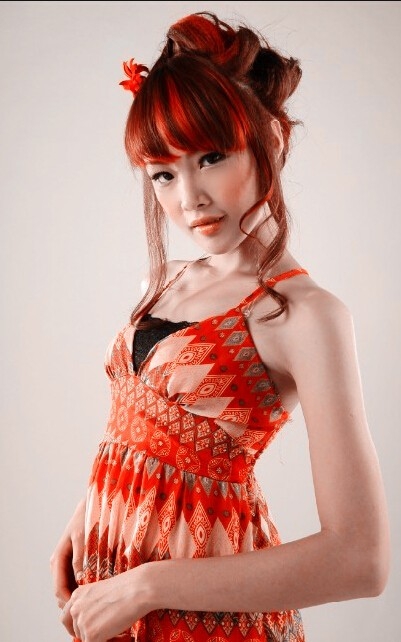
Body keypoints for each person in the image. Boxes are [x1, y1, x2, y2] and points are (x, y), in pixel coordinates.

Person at [50, 11, 390, 642]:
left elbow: (360, 559)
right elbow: (144, 436)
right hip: (110, 597)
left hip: (208, 621)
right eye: (163, 172)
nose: (190, 199)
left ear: (273, 139)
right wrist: (89, 513)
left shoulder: (303, 314)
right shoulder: (165, 281)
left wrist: (146, 586)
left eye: (211, 157)